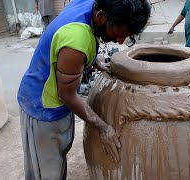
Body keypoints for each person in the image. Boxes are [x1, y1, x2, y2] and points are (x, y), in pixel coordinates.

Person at [17, 0, 151, 179]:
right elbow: (68, 95)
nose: (120, 40)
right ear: (101, 16)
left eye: (126, 35)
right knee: (47, 172)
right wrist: (103, 128)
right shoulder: (76, 42)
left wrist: (94, 60)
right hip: (42, 107)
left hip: (56, 99)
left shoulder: (91, 4)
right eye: (119, 32)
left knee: (57, 162)